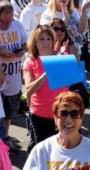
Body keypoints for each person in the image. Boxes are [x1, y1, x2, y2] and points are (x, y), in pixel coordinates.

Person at [24, 25, 69, 153]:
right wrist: (46, 72)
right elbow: (29, 89)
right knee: (44, 152)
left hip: (62, 112)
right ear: (35, 43)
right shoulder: (30, 62)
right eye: (41, 39)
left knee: (63, 150)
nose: (45, 42)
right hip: (41, 114)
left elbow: (69, 84)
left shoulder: (60, 59)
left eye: (48, 39)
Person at [0, 1, 28, 149]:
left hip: (14, 76)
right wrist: (1, 53)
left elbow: (26, 43)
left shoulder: (18, 24)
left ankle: (6, 136)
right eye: (4, 19)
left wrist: (21, 51)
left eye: (11, 16)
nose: (8, 21)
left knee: (9, 112)